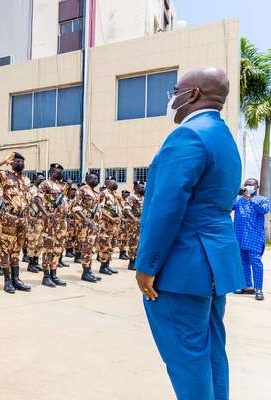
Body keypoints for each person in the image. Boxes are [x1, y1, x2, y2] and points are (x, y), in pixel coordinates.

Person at [136, 68, 244, 400]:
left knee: (187, 360)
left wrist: (147, 264)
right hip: (213, 265)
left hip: (182, 267)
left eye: (175, 90)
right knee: (211, 353)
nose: (172, 98)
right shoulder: (224, 138)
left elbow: (167, 206)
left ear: (193, 94)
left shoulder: (188, 135)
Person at [0, 152, 32, 293]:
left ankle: (17, 279)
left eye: (22, 161)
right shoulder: (4, 175)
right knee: (5, 249)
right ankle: (7, 281)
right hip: (9, 217)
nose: (19, 163)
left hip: (23, 219)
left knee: (17, 250)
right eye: (16, 161)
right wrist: (4, 161)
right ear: (11, 163)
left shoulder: (26, 180)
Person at [233, 178, 269, 301]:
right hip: (239, 237)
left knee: (256, 263)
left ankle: (258, 289)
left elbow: (263, 210)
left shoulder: (263, 200)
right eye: (246, 184)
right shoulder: (239, 201)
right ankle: (247, 286)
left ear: (256, 187)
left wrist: (250, 199)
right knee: (243, 263)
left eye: (251, 185)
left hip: (254, 238)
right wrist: (232, 193)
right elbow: (227, 208)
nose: (248, 186)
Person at [35, 163, 68, 287]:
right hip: (50, 222)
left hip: (61, 222)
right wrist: (46, 213)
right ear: (51, 171)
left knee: (58, 249)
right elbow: (37, 199)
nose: (59, 173)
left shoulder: (62, 186)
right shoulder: (46, 184)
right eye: (56, 171)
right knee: (48, 248)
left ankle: (54, 274)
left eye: (60, 171)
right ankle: (46, 276)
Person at [73, 173, 102, 283]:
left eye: (97, 178)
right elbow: (75, 206)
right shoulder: (82, 190)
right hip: (86, 225)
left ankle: (89, 270)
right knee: (86, 248)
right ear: (86, 179)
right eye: (93, 178)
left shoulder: (95, 192)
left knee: (91, 248)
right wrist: (86, 219)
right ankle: (85, 272)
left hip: (94, 225)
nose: (96, 179)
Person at [96, 177, 120, 275]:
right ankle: (103, 266)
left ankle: (107, 265)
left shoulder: (114, 195)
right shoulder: (103, 193)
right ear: (107, 183)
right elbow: (99, 208)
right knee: (105, 245)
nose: (115, 182)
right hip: (106, 224)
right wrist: (111, 218)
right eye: (112, 181)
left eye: (115, 180)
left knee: (111, 245)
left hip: (114, 225)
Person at [26, 172, 46, 273]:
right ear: (35, 179)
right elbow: (26, 204)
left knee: (41, 242)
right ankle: (30, 263)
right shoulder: (31, 190)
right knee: (32, 242)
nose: (42, 181)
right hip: (33, 220)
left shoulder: (44, 191)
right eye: (40, 179)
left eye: (43, 179)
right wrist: (29, 217)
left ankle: (36, 261)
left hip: (42, 220)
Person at [124, 182, 144, 270]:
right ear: (136, 188)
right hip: (134, 225)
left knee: (139, 244)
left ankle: (136, 261)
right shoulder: (131, 198)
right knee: (133, 243)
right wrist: (134, 219)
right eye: (141, 187)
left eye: (143, 187)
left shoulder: (143, 198)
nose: (143, 189)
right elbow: (127, 210)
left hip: (142, 224)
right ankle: (131, 263)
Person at [118, 190, 131, 260]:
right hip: (122, 223)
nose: (127, 195)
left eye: (128, 194)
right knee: (121, 238)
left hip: (127, 223)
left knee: (126, 239)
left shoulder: (128, 202)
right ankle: (121, 253)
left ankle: (124, 252)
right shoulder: (120, 201)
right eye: (125, 194)